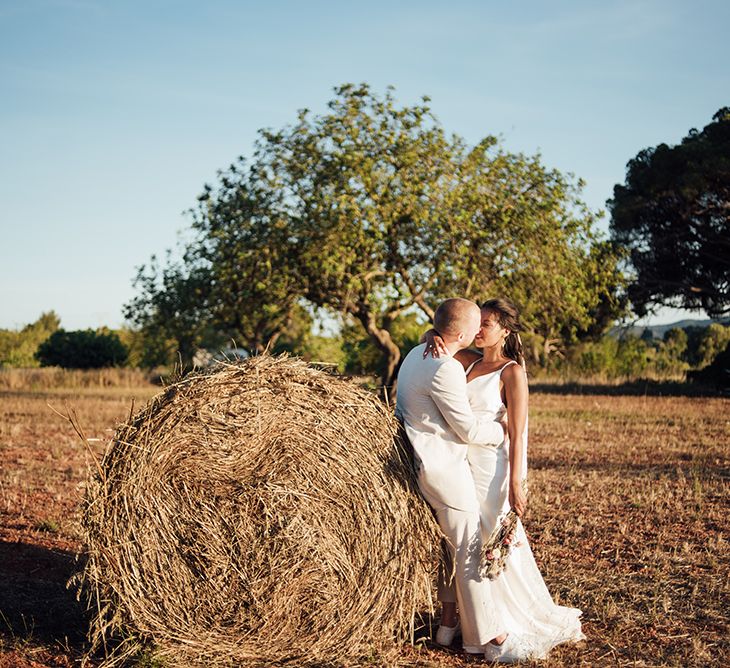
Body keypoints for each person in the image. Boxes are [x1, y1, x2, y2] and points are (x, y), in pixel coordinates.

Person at [424, 297, 585, 663]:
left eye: (487, 325)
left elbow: (518, 432)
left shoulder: (512, 372)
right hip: (461, 465)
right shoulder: (466, 361)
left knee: (486, 543)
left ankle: (496, 623)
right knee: (459, 541)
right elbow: (439, 334)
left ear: (505, 332)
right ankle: (464, 620)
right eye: (476, 323)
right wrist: (434, 333)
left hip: (492, 471)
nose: (478, 330)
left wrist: (516, 483)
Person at [395, 298, 510, 656]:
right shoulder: (444, 367)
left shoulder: (415, 354)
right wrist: (500, 430)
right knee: (469, 550)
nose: (480, 332)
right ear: (461, 333)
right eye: (476, 326)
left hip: (421, 465)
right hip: (443, 471)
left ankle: (447, 628)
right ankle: (487, 637)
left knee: (450, 550)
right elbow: (467, 430)